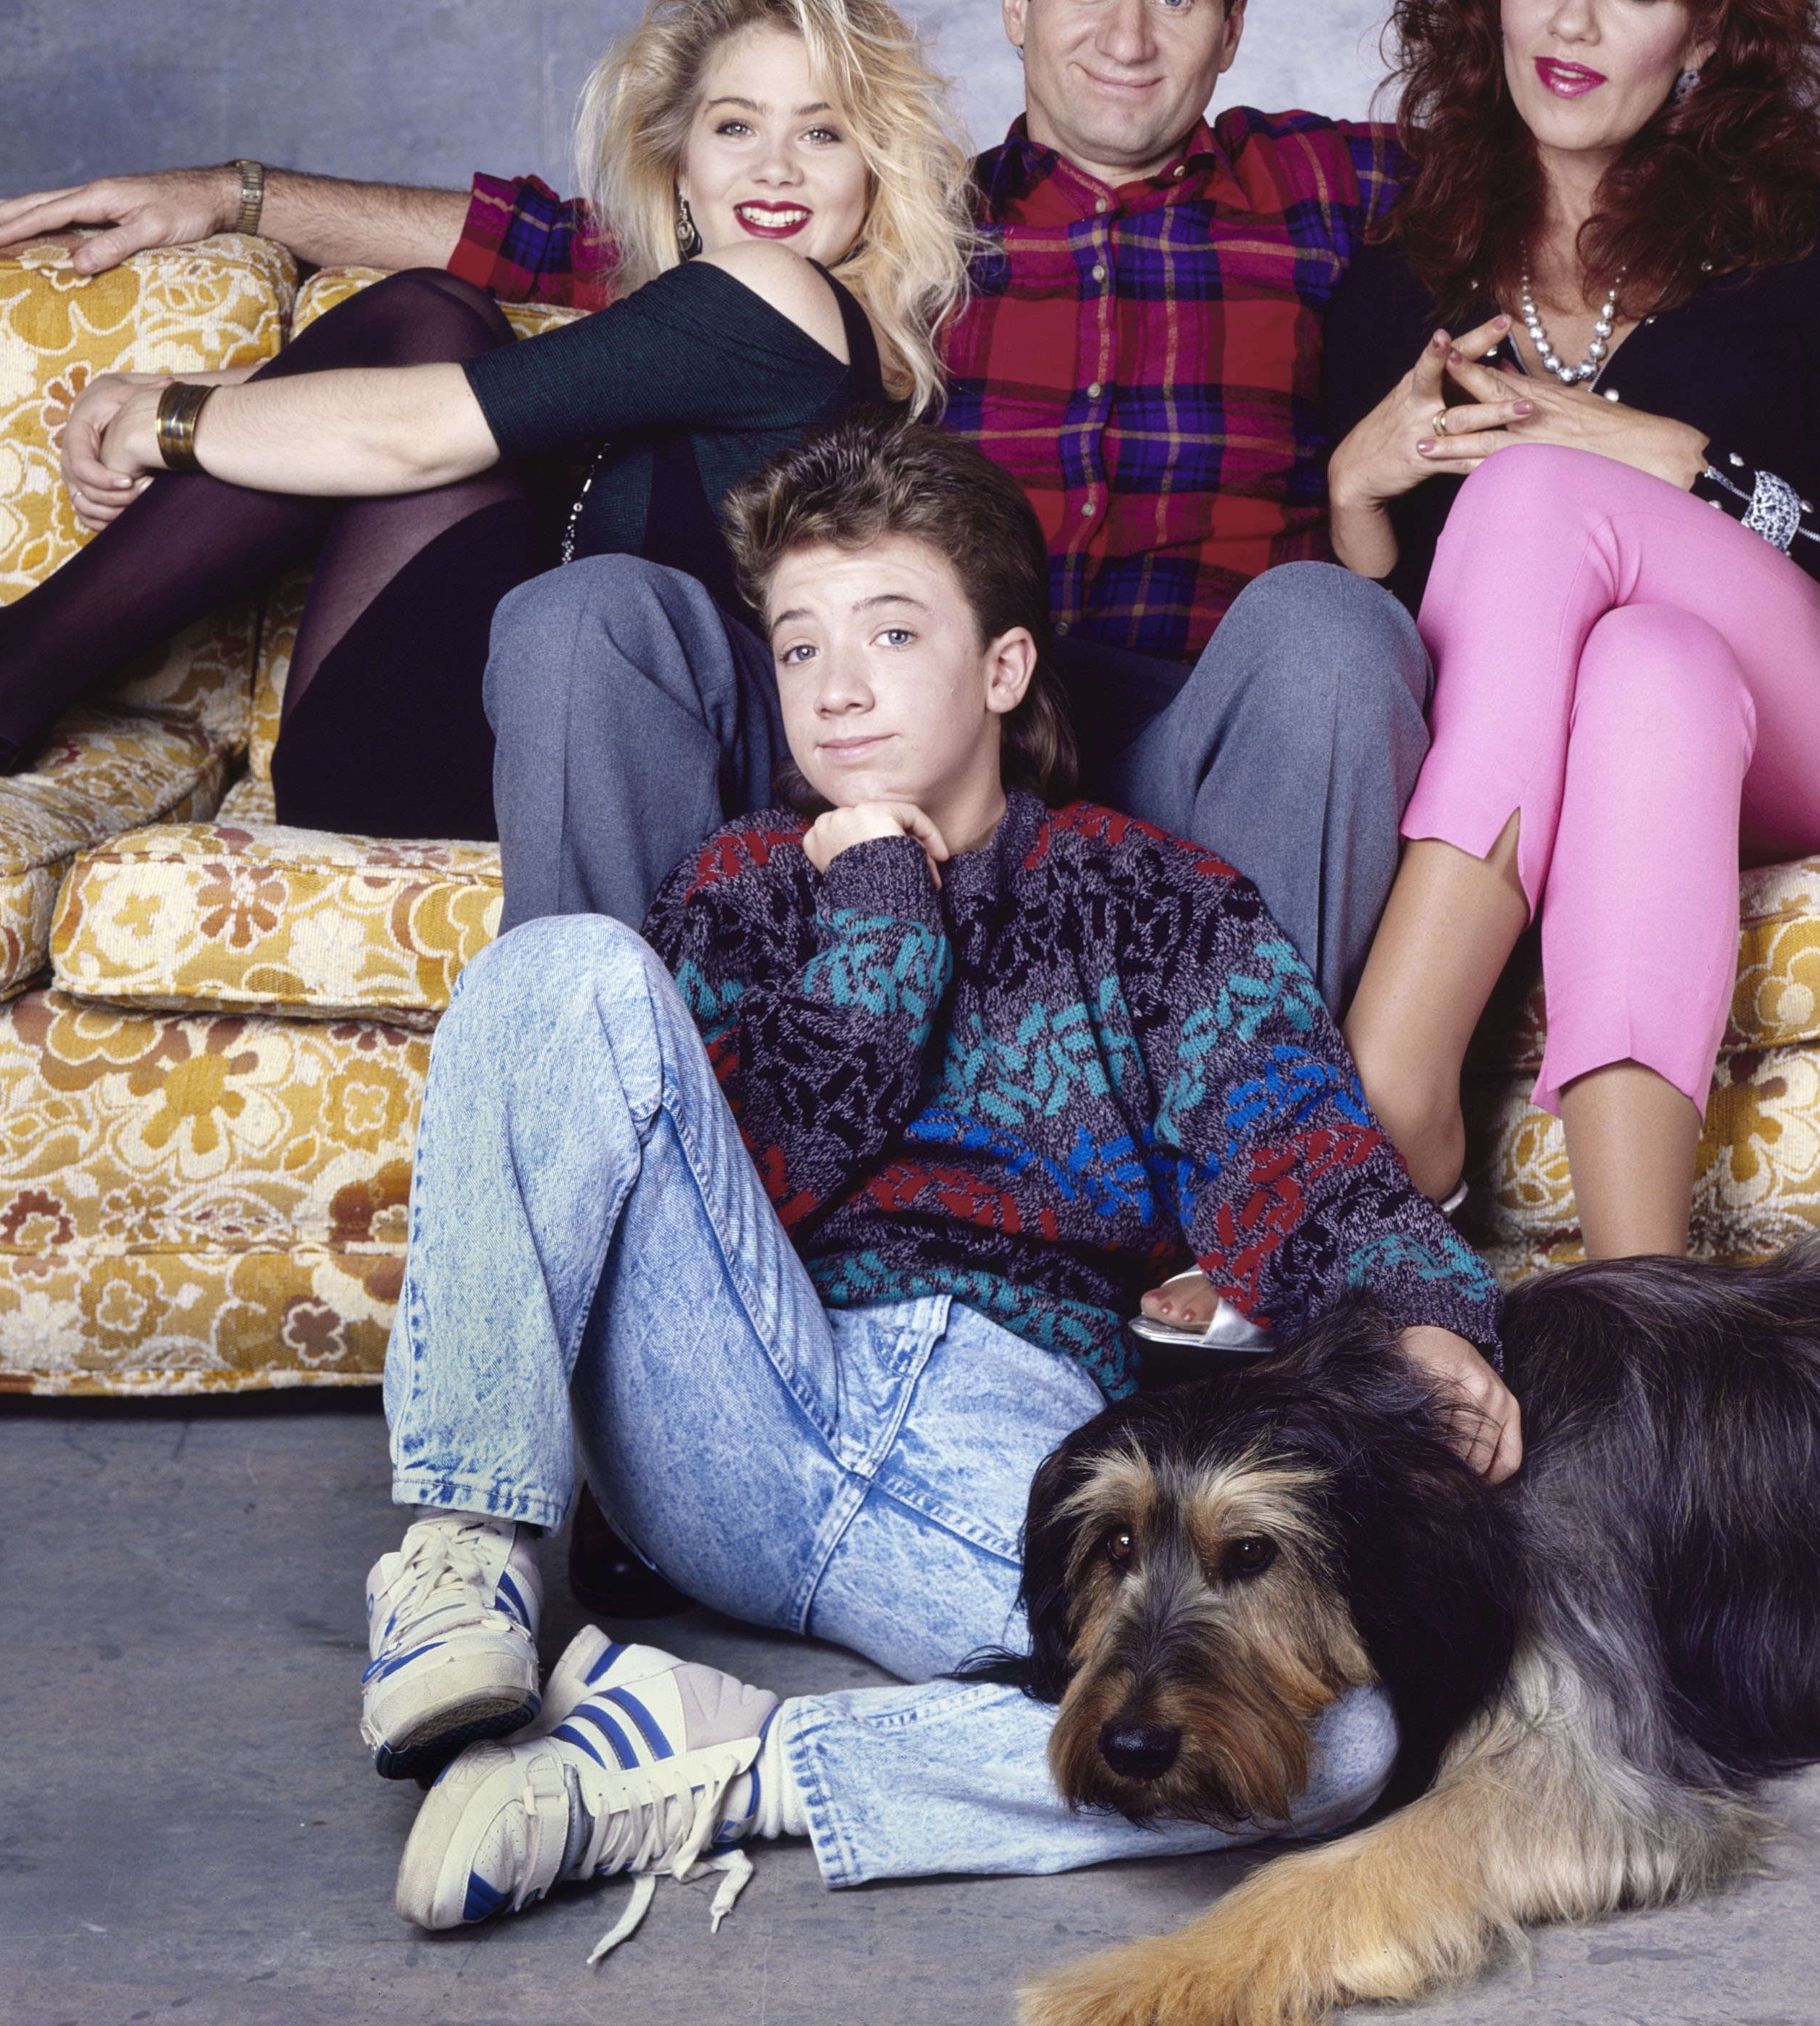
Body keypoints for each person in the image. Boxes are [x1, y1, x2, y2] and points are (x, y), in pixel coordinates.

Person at [0, 0, 1820, 1014]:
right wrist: (236, 196)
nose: (1126, 32)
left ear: (1233, 18)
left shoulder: (1348, 183)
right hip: (973, 708)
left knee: (1336, 630)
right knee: (582, 592)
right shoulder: (904, 218)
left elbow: (1612, 126)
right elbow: (552, 238)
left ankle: (1265, 1148)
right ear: (1011, 2)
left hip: (1213, 710)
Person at [364, 416, 1505, 1945]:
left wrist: (1420, 1315)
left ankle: (715, 1761)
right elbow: (722, 1179)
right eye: (799, 644)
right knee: (557, 968)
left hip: (1005, 1447)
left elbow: (1289, 1145)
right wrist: (880, 920)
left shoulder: (1147, 899)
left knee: (1330, 1746)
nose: (836, 683)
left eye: (891, 632)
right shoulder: (733, 889)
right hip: (731, 1399)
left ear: (1003, 671)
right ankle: (461, 1554)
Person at [1321, 0, 1820, 1264]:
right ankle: (1643, 1299)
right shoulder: (1396, 291)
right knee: (1640, 666)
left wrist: (1667, 459)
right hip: (1640, 746)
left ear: (1701, 34)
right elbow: (1422, 674)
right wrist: (1356, 499)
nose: (1569, 21)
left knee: (1555, 499)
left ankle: (1385, 1082)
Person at [0, 0, 971, 839]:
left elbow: (421, 430)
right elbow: (503, 377)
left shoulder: (778, 297)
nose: (777, 168)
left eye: (823, 131)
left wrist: (165, 419)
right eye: (737, 127)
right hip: (528, 748)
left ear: (873, 171)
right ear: (681, 176)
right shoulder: (791, 340)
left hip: (514, 768)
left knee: (427, 320)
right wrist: (209, 379)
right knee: (431, 326)